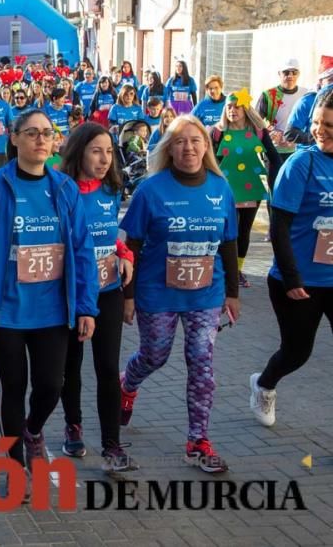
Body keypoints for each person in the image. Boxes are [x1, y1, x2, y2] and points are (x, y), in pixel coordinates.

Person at [0, 109, 99, 481]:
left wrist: (86, 305)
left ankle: (33, 432)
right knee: (13, 387)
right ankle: (14, 467)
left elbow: (82, 251)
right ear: (13, 138)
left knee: (52, 385)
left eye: (47, 133)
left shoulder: (65, 189)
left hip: (53, 309)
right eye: (31, 133)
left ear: (55, 141)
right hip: (4, 312)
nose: (40, 140)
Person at [119, 115, 239, 473]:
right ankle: (128, 384)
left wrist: (232, 293)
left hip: (206, 293)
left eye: (196, 140)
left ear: (207, 146)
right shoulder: (151, 190)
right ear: (169, 149)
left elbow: (229, 244)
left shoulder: (221, 188)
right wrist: (127, 296)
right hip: (157, 290)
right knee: (155, 355)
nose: (189, 147)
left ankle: (197, 440)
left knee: (202, 364)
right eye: (180, 141)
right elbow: (133, 247)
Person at [250, 88, 333, 427]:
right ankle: (264, 384)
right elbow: (279, 227)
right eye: (317, 122)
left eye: (329, 124)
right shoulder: (302, 163)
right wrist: (292, 277)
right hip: (299, 281)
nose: (320, 130)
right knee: (297, 352)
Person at [58, 123, 138, 472]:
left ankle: (112, 445)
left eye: (109, 151)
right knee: (70, 366)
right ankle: (73, 424)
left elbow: (112, 233)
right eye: (96, 151)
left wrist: (124, 253)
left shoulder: (111, 188)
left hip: (107, 291)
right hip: (71, 294)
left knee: (107, 368)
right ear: (79, 151)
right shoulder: (61, 191)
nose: (105, 159)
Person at [210, 91, 280, 289]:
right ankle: (223, 268)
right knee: (225, 229)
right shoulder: (218, 132)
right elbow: (209, 160)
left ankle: (237, 270)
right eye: (229, 107)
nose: (232, 110)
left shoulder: (258, 131)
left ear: (245, 109)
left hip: (251, 187)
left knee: (243, 231)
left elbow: (273, 158)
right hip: (225, 189)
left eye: (236, 106)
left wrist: (277, 181)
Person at [256, 57, 308, 164]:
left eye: (294, 72)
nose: (290, 76)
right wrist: (269, 132)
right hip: (273, 150)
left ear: (299, 74)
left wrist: (298, 139)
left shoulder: (306, 94)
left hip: (299, 151)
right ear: (279, 73)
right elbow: (255, 122)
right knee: (275, 181)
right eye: (286, 72)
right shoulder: (268, 95)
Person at [284, 55, 333, 146]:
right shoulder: (307, 101)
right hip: (311, 155)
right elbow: (290, 133)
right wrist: (318, 139)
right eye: (330, 80)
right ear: (321, 81)